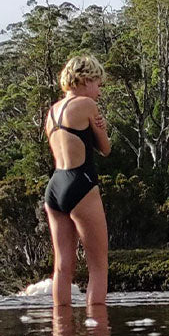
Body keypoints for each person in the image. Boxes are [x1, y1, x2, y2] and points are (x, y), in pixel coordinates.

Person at [44, 55, 111, 308]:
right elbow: (105, 149)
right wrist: (101, 128)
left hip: (55, 187)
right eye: (98, 84)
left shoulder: (52, 111)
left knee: (62, 268)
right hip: (80, 182)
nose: (99, 91)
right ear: (85, 80)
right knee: (98, 267)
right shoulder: (86, 105)